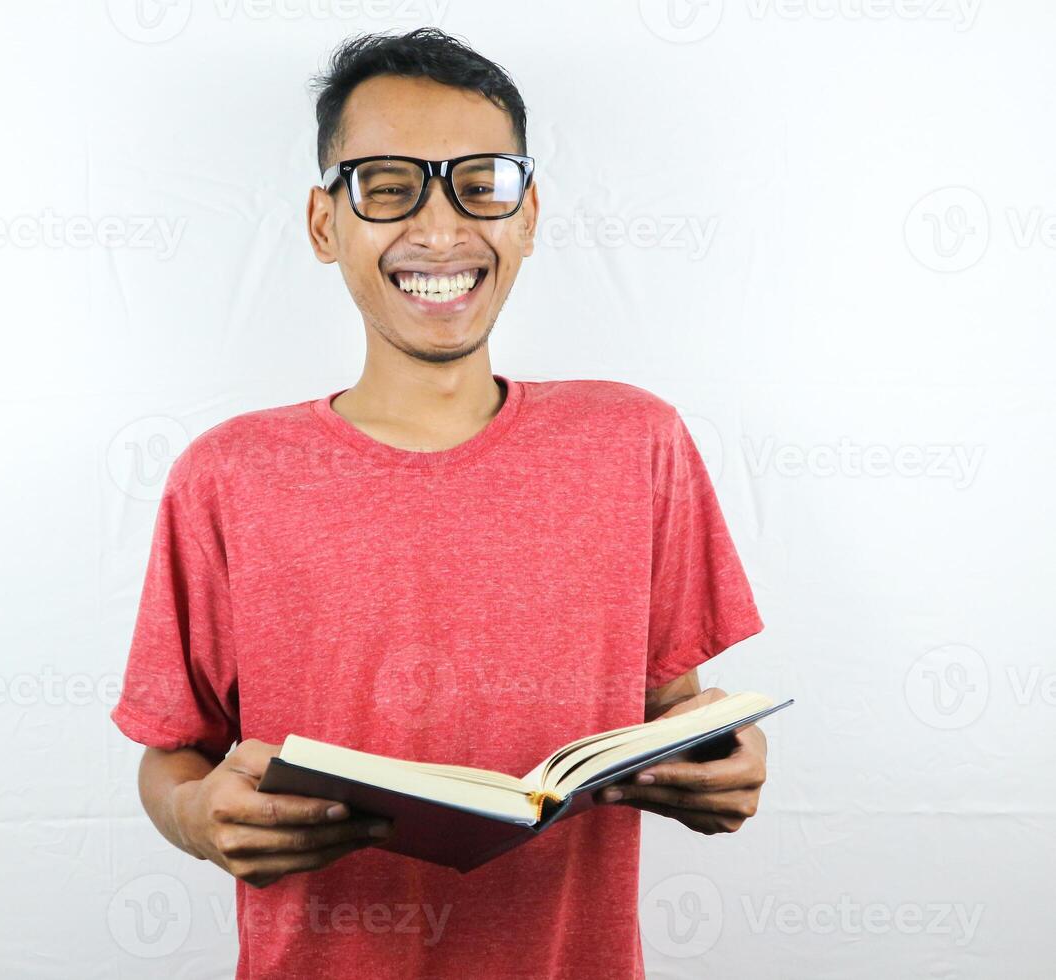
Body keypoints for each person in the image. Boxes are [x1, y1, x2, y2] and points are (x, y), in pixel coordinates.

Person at [111, 27, 769, 979]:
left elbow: (672, 712)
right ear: (322, 222)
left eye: (480, 184)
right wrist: (192, 817)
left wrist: (721, 760)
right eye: (387, 186)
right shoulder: (226, 477)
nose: (438, 229)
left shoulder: (636, 442)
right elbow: (173, 758)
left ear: (528, 214)